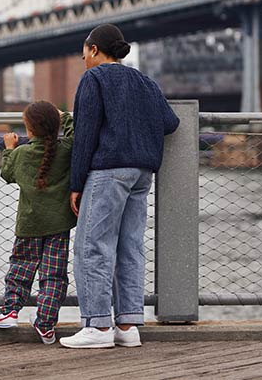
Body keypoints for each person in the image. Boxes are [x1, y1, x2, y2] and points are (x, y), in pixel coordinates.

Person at [59, 24, 180, 349]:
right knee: (129, 247)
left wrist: (76, 182)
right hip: (142, 173)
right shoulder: (144, 80)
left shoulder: (93, 79)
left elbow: (85, 134)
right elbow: (171, 122)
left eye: (84, 50)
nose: (83, 56)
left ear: (95, 49)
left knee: (92, 247)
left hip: (108, 171)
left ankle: (97, 327)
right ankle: (127, 326)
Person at [0, 101, 77, 345]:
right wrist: (64, 116)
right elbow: (75, 132)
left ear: (29, 129)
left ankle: (9, 312)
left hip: (29, 224)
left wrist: (8, 148)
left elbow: (7, 174)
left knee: (21, 268)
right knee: (54, 276)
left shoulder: (20, 154)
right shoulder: (66, 149)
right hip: (59, 225)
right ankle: (46, 323)